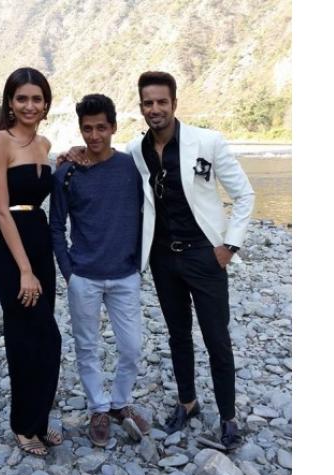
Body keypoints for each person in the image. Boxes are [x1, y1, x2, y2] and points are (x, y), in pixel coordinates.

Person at [60, 72, 255, 450]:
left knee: (216, 338)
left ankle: (228, 417)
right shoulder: (136, 150)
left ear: (174, 103)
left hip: (205, 255)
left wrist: (229, 246)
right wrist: (72, 153)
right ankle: (188, 403)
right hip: (163, 257)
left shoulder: (208, 142)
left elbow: (244, 195)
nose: (155, 109)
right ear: (141, 107)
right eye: (148, 103)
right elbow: (101, 152)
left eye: (162, 102)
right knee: (177, 335)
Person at [49, 94, 150, 447]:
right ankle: (98, 408)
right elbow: (56, 225)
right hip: (84, 277)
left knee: (132, 347)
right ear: (80, 129)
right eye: (87, 129)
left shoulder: (131, 168)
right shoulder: (67, 172)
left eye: (101, 128)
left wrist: (139, 263)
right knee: (87, 347)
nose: (94, 136)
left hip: (125, 275)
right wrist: (68, 272)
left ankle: (120, 403)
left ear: (114, 127)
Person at [0, 67, 62, 457]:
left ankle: (40, 423)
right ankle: (22, 425)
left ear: (46, 104)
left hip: (39, 236)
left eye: (37, 99)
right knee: (29, 334)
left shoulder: (45, 143)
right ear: (10, 103)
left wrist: (70, 158)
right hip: (10, 241)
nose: (30, 105)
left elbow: (44, 184)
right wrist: (25, 270)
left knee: (43, 334)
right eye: (22, 98)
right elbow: (1, 210)